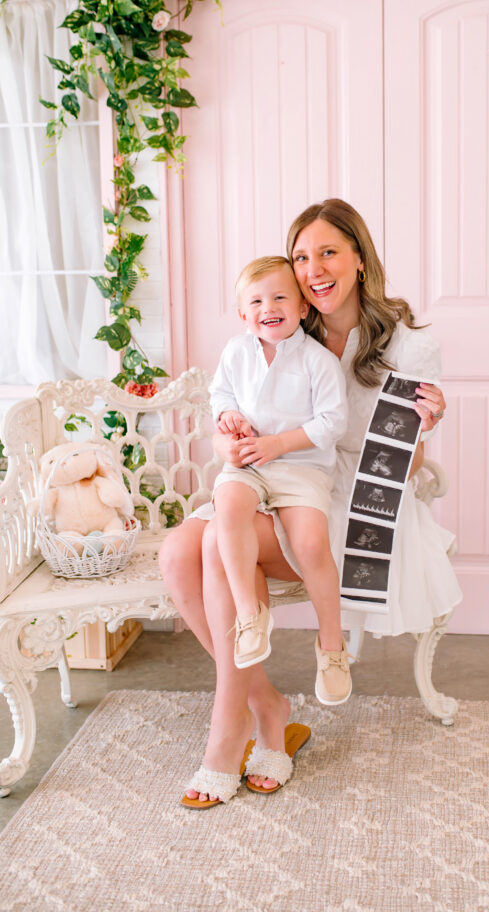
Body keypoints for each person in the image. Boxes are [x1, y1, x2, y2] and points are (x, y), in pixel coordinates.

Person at [160, 199, 462, 806]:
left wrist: (425, 428)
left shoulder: (404, 344)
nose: (313, 268)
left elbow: (403, 465)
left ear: (358, 256)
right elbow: (230, 412)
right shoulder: (280, 324)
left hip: (347, 492)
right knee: (175, 554)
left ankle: (231, 731)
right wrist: (230, 437)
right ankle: (265, 703)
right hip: (272, 472)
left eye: (328, 251)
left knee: (221, 543)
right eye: (301, 256)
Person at [209, 255, 351, 706]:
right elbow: (221, 393)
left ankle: (332, 645)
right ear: (243, 314)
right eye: (256, 299)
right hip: (249, 463)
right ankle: (250, 615)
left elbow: (333, 422)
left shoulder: (317, 361)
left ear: (303, 308)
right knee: (227, 507)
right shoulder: (236, 351)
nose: (268, 306)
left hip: (301, 467)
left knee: (311, 542)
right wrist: (226, 414)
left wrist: (279, 445)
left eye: (279, 296)